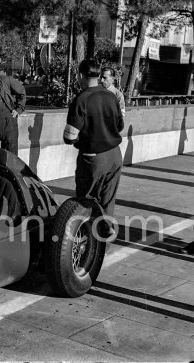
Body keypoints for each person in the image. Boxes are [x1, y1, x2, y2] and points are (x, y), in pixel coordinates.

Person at [64, 59, 124, 238]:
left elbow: (70, 136)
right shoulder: (112, 96)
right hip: (114, 156)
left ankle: (82, 239)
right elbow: (119, 125)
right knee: (107, 198)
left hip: (93, 158)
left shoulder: (81, 99)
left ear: (81, 75)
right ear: (98, 75)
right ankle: (105, 229)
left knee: (85, 200)